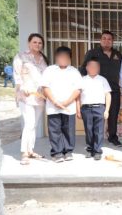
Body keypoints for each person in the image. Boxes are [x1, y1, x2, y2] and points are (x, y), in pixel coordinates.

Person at [80, 30, 122, 147]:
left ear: (113, 41)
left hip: (113, 90)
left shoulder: (117, 54)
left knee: (113, 114)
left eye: (109, 39)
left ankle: (112, 137)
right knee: (95, 117)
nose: (106, 41)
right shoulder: (92, 53)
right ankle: (93, 141)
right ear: (100, 40)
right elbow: (83, 69)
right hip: (97, 90)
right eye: (104, 38)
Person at [42, 46, 82, 163]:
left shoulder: (74, 71)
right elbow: (45, 87)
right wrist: (54, 101)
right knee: (54, 130)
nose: (63, 59)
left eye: (66, 57)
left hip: (69, 107)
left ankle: (68, 151)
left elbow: (78, 89)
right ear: (56, 57)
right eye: (61, 57)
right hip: (53, 107)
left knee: (68, 130)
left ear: (70, 58)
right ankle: (57, 152)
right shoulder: (49, 70)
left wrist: (66, 102)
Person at [13, 33, 48, 165]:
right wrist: (22, 87)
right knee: (28, 123)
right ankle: (24, 153)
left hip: (39, 97)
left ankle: (31, 150)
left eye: (39, 43)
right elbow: (17, 75)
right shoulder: (21, 56)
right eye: (34, 42)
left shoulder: (43, 58)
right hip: (26, 95)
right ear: (29, 43)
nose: (37, 45)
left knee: (34, 125)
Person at [76, 58, 111, 161]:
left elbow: (108, 95)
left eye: (96, 66)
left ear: (99, 68)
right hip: (86, 108)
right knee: (89, 130)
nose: (93, 68)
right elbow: (77, 96)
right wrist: (78, 110)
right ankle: (90, 149)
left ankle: (97, 151)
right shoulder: (82, 80)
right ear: (86, 67)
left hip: (99, 108)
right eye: (91, 66)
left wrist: (107, 110)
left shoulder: (102, 79)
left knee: (99, 131)